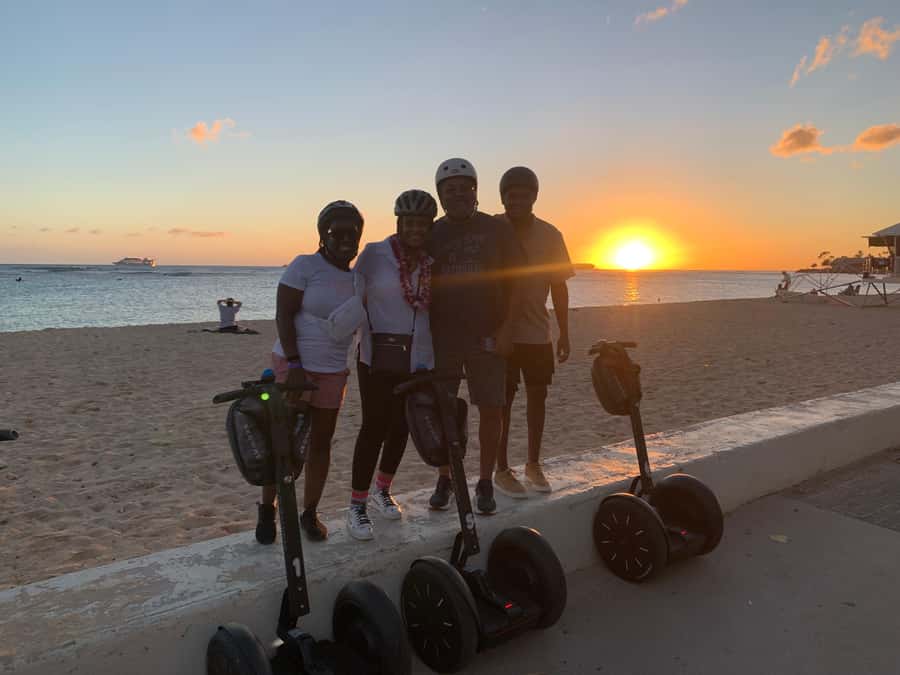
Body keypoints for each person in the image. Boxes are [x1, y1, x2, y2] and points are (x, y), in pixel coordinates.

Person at [256, 200, 366, 544]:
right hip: (294, 365)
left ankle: (309, 512)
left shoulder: (358, 279)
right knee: (283, 443)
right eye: (338, 232)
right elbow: (283, 315)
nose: (346, 239)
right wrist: (294, 364)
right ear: (323, 235)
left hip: (332, 372)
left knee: (320, 444)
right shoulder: (304, 266)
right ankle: (267, 510)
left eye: (354, 232)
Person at [428, 158, 523, 515]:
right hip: (444, 336)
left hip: (489, 333)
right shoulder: (433, 233)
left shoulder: (498, 230)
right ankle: (446, 476)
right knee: (444, 409)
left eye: (464, 188)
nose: (457, 194)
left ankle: (485, 480)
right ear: (441, 195)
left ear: (475, 191)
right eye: (449, 189)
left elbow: (516, 282)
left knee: (491, 408)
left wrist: (508, 328)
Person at [347, 189, 438, 540]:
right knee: (374, 426)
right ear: (399, 223)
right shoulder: (374, 254)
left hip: (417, 358)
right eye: (410, 222)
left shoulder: (431, 261)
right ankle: (356, 504)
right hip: (376, 355)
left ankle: (382, 490)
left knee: (403, 425)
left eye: (422, 223)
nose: (416, 228)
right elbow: (354, 299)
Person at [494, 167, 574, 497]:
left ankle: (533, 463)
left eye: (524, 194)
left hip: (538, 332)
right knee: (503, 402)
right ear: (503, 197)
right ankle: (501, 468)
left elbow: (559, 287)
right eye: (511, 194)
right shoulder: (493, 229)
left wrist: (564, 332)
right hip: (503, 333)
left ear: (534, 196)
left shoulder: (550, 234)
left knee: (537, 397)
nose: (518, 200)